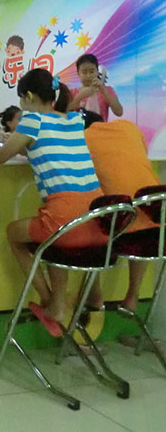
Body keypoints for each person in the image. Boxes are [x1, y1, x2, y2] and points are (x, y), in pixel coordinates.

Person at [0, 69, 103, 336]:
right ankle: (61, 303)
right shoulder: (74, 120)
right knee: (53, 239)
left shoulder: (32, 120)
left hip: (65, 221)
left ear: (29, 96)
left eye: (21, 98)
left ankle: (50, 301)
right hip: (100, 220)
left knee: (14, 234)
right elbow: (47, 144)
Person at [81, 112, 161, 315]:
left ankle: (94, 295)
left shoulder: (83, 138)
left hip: (119, 223)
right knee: (141, 222)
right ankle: (133, 296)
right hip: (156, 222)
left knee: (87, 221)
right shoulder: (129, 127)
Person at [68, 53, 123, 121]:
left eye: (92, 72)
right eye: (84, 72)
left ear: (97, 72)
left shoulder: (107, 90)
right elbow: (63, 113)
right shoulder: (72, 92)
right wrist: (80, 96)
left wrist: (104, 91)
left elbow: (119, 112)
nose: (88, 76)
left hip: (100, 127)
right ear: (78, 73)